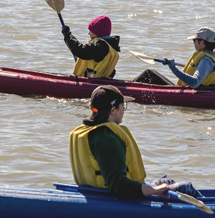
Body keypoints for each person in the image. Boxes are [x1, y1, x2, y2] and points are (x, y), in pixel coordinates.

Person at [69, 85, 201, 198]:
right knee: (186, 187)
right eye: (122, 106)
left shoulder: (89, 130)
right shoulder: (107, 138)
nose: (124, 110)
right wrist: (155, 191)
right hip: (112, 196)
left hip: (96, 192)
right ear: (113, 110)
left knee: (166, 181)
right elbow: (119, 185)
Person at [133, 27, 215, 88]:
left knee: (148, 74)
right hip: (198, 92)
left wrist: (173, 68)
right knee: (151, 73)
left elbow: (195, 83)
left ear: (202, 43)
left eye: (194, 41)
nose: (193, 43)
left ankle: (126, 91)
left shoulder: (206, 60)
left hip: (192, 94)